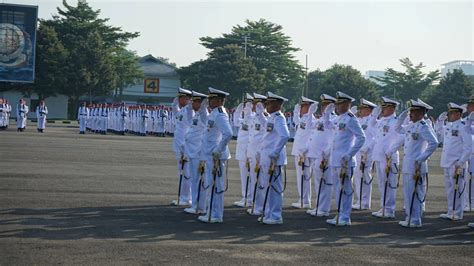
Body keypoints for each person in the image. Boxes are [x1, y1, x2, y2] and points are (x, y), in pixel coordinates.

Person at [390, 99, 438, 227]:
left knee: (415, 193)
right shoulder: (412, 126)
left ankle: (415, 219)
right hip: (408, 165)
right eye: (410, 112)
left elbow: (434, 143)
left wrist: (421, 158)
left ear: (421, 114)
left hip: (417, 165)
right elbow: (397, 128)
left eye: (413, 112)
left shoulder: (423, 126)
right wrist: (402, 115)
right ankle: (410, 217)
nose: (410, 114)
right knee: (408, 192)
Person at [326, 91, 365, 226]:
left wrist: (350, 154)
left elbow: (361, 138)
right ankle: (340, 214)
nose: (337, 106)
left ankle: (345, 217)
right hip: (336, 160)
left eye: (340, 104)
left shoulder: (350, 118)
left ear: (348, 104)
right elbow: (327, 125)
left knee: (346, 189)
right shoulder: (339, 118)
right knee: (338, 189)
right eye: (336, 104)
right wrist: (326, 113)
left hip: (345, 161)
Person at [197, 87, 233, 223]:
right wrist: (201, 109)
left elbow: (228, 133)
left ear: (218, 100)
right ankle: (212, 212)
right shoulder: (214, 113)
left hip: (215, 155)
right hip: (210, 153)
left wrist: (219, 149)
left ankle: (216, 215)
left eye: (211, 99)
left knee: (216, 185)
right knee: (212, 184)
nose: (209, 101)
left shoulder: (220, 114)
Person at [255, 91, 290, 225]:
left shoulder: (279, 118)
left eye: (269, 103)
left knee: (274, 188)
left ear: (276, 104)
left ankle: (275, 215)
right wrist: (259, 115)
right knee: (267, 187)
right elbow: (268, 129)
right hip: (267, 158)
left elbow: (285, 135)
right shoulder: (272, 117)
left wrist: (275, 152)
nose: (267, 105)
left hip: (274, 160)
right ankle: (269, 213)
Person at [436, 103, 472, 221]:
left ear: (458, 114)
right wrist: (440, 121)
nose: (449, 115)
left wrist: (461, 162)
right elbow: (439, 133)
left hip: (457, 163)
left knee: (458, 188)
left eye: (451, 113)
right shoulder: (450, 126)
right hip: (447, 162)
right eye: (449, 113)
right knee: (450, 189)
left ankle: (457, 213)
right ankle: (451, 210)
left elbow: (469, 146)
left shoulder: (463, 126)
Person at [371, 97, 402, 219]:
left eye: (385, 107)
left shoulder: (396, 121)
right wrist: (374, 114)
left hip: (389, 157)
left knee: (389, 184)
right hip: (379, 156)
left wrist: (391, 150)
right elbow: (371, 124)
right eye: (382, 107)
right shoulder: (382, 120)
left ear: (392, 108)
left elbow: (402, 137)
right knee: (381, 183)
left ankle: (389, 209)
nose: (382, 110)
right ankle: (383, 207)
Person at [306, 94, 336, 217]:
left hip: (325, 156)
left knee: (325, 183)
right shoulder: (321, 119)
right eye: (323, 105)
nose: (324, 107)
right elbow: (309, 127)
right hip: (316, 155)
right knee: (318, 183)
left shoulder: (334, 119)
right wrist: (309, 114)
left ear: (332, 106)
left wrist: (328, 152)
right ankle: (319, 206)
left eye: (327, 105)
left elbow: (334, 137)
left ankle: (324, 209)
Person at [183, 91, 209, 214]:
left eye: (194, 101)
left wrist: (203, 103)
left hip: (198, 152)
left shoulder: (203, 114)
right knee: (195, 179)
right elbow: (189, 119)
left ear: (200, 103)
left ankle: (198, 206)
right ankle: (197, 205)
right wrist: (189, 106)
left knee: (198, 180)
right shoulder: (197, 115)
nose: (192, 103)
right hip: (193, 151)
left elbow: (203, 110)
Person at [291, 96, 318, 209]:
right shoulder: (304, 119)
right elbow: (295, 122)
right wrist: (295, 112)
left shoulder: (311, 119)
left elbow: (311, 136)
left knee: (304, 176)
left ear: (307, 107)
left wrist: (305, 149)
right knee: (300, 177)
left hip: (304, 153)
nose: (301, 108)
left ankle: (305, 200)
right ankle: (302, 198)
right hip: (299, 151)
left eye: (302, 106)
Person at [352, 98, 377, 210]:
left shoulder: (373, 121)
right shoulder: (360, 120)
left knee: (365, 175)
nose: (360, 110)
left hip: (367, 153)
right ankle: (360, 199)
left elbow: (376, 137)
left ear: (369, 110)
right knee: (358, 175)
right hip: (358, 152)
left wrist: (368, 147)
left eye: (363, 108)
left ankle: (365, 202)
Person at [246, 93, 268, 215]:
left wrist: (261, 114)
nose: (254, 106)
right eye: (254, 104)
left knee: (260, 181)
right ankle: (255, 203)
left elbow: (266, 131)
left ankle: (259, 207)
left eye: (257, 104)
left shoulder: (265, 117)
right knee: (254, 180)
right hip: (252, 153)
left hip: (259, 154)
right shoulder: (255, 117)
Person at [171, 88, 193, 206]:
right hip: (179, 146)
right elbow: (176, 113)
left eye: (181, 98)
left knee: (187, 172)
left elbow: (191, 129)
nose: (179, 100)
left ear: (187, 99)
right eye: (178, 97)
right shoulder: (183, 110)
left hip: (185, 147)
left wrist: (186, 146)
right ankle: (183, 197)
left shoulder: (190, 111)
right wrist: (174, 104)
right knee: (182, 171)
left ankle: (187, 198)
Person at [233, 93, 254, 207]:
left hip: (248, 150)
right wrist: (237, 111)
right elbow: (236, 122)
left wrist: (249, 112)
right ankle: (244, 196)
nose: (246, 107)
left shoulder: (253, 117)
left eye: (248, 104)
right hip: (241, 150)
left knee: (250, 175)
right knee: (243, 174)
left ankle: (249, 198)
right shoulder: (245, 118)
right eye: (245, 104)